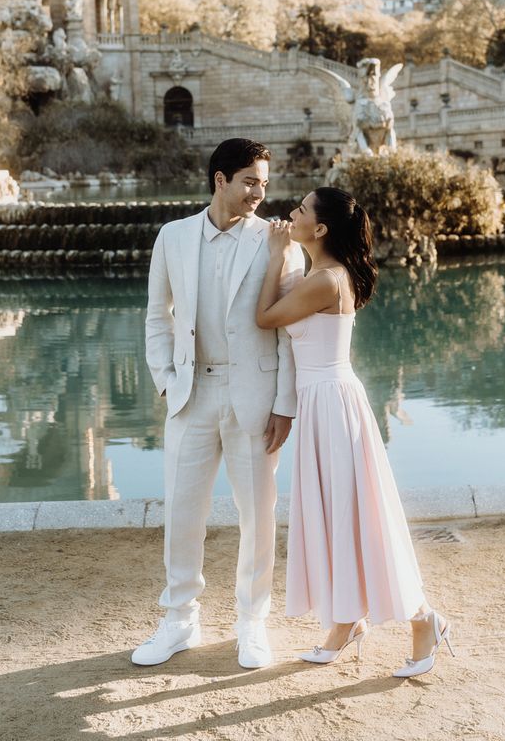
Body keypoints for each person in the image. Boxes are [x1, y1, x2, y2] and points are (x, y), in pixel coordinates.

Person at [256, 186, 455, 677]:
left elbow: (263, 318)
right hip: (325, 402)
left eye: (300, 210)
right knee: (337, 517)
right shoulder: (319, 274)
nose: (291, 213)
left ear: (319, 229)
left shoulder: (326, 279)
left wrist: (275, 253)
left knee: (361, 517)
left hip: (333, 404)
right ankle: (346, 622)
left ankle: (425, 619)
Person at [133, 138, 303, 670]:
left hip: (254, 396)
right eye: (250, 181)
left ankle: (252, 624)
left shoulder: (279, 242)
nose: (259, 192)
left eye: (265, 183)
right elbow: (157, 315)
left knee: (258, 515)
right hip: (191, 394)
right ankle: (179, 619)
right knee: (183, 513)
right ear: (220, 180)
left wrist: (285, 403)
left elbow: (291, 332)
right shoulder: (173, 236)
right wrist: (165, 381)